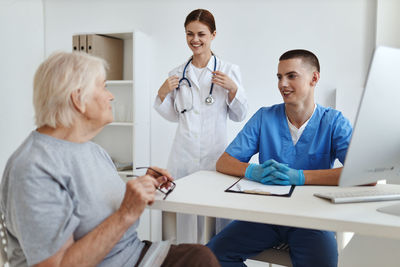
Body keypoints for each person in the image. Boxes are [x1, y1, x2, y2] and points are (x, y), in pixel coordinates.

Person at [0, 51, 220, 267]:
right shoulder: (33, 169)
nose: (111, 95)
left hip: (132, 254)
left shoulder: (91, 149)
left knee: (201, 255)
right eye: (104, 86)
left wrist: (140, 187)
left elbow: (94, 203)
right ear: (78, 99)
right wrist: (126, 213)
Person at [207, 49, 353, 267]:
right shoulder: (265, 117)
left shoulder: (333, 122)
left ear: (314, 78)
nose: (282, 84)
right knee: (211, 257)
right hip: (267, 216)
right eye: (279, 77)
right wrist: (252, 171)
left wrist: (301, 177)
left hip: (311, 219)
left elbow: (360, 174)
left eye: (291, 76)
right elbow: (224, 162)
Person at [154, 9, 248, 244]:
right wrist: (162, 93)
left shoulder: (228, 71)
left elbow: (240, 115)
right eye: (189, 34)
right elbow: (174, 116)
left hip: (214, 155)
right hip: (183, 156)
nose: (195, 40)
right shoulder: (177, 73)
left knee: (216, 217)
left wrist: (233, 89)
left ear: (213, 35)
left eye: (201, 34)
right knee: (184, 218)